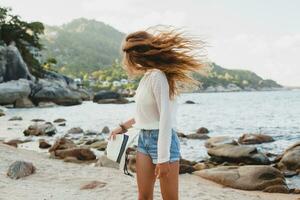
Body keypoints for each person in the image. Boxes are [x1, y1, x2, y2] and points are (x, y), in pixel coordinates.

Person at [109, 26, 206, 200]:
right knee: (143, 196)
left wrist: (163, 158)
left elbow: (165, 120)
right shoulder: (147, 77)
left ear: (136, 54)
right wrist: (122, 127)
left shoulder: (157, 77)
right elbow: (144, 115)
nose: (126, 60)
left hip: (163, 141)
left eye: (127, 56)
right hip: (144, 139)